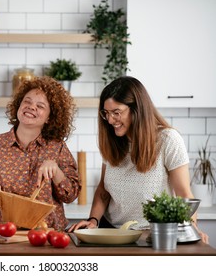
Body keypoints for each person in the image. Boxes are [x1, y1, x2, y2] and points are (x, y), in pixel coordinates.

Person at [67, 76, 209, 244]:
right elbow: (103, 191)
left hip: (152, 234)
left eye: (117, 112)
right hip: (111, 232)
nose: (111, 120)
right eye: (106, 113)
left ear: (137, 109)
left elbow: (184, 195)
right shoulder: (112, 142)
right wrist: (93, 221)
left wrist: (191, 231)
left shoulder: (168, 140)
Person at [0, 76, 80, 230]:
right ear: (19, 105)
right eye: (27, 101)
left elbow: (71, 194)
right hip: (1, 233)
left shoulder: (57, 148)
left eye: (40, 106)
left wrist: (56, 171)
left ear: (49, 118)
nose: (31, 107)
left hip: (46, 233)